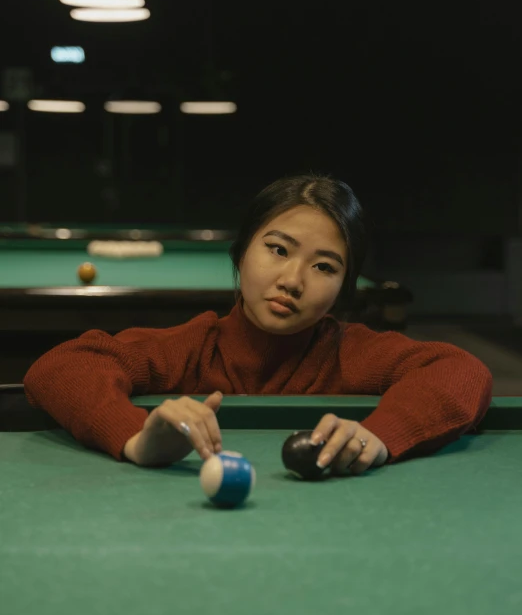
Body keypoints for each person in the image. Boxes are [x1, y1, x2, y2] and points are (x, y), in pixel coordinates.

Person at [24, 174, 493, 476]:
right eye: (278, 249)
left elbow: (462, 371)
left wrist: (382, 436)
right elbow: (60, 367)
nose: (292, 281)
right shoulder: (191, 345)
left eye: (324, 267)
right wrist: (135, 438)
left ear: (343, 288)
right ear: (241, 252)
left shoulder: (351, 352)